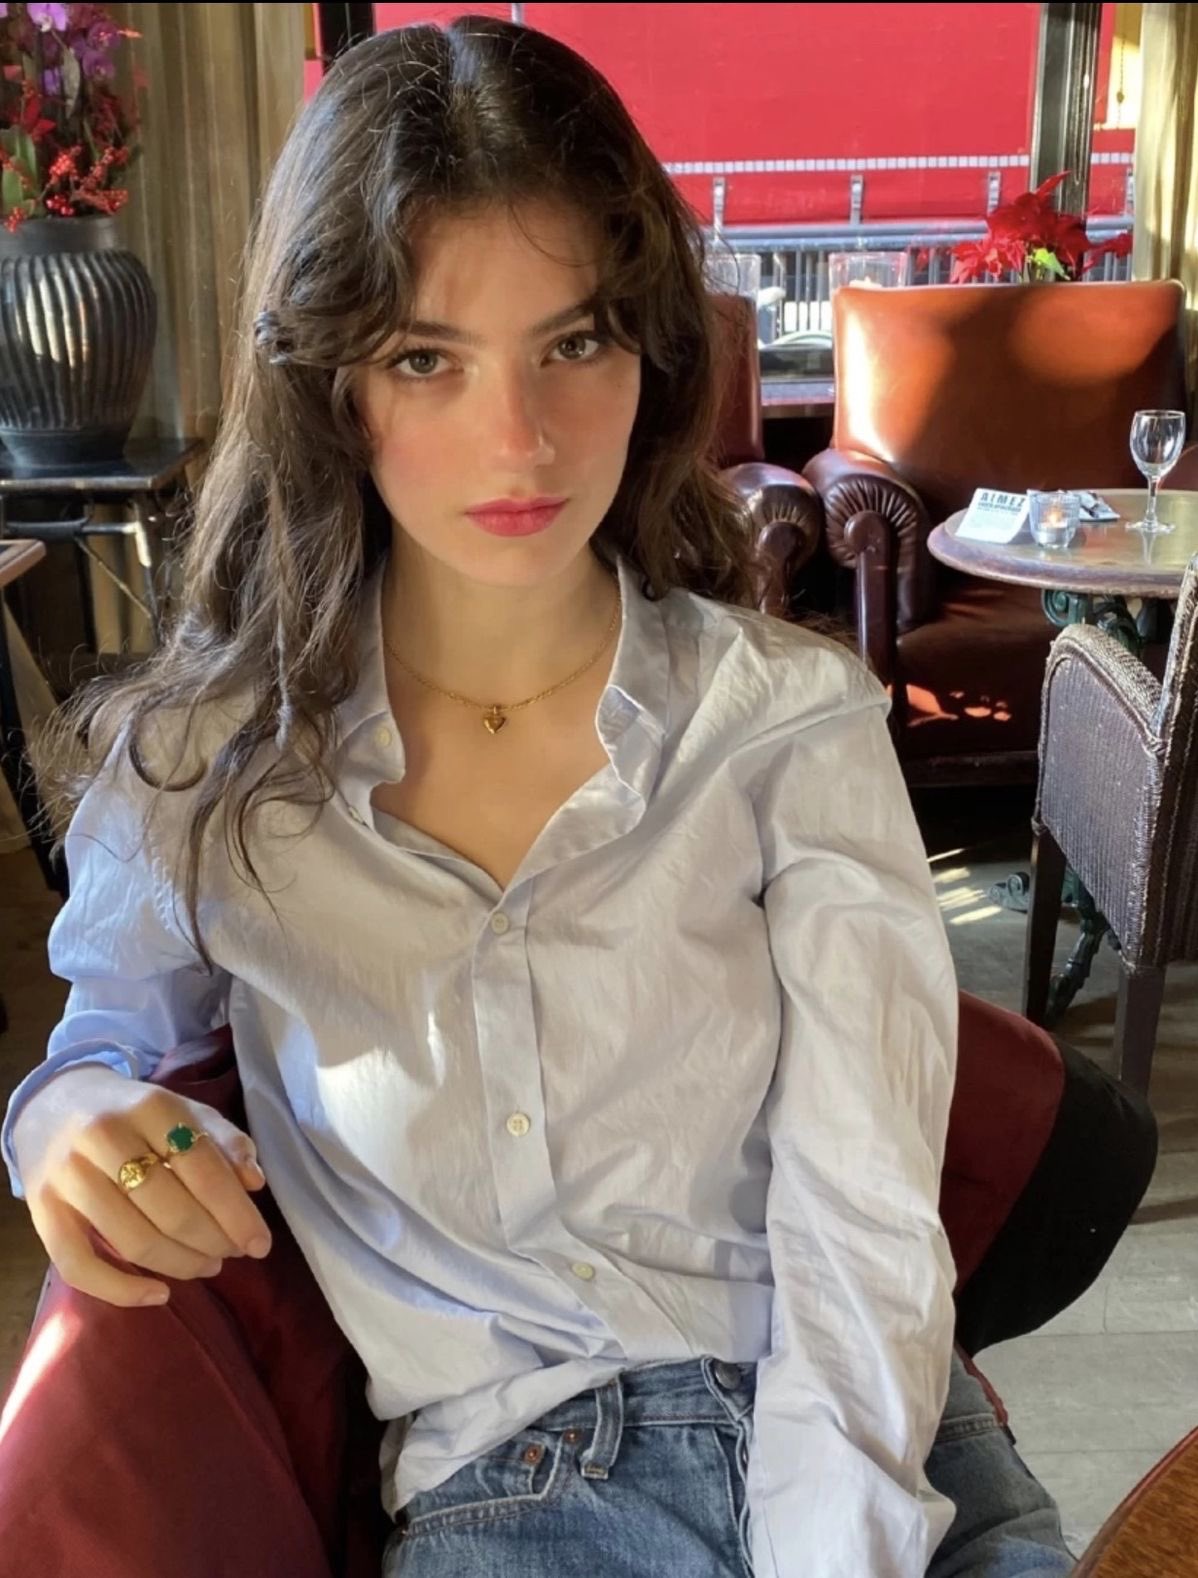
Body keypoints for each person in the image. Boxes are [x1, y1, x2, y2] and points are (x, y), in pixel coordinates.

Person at [1, 17, 1073, 1578]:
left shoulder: (785, 722)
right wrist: (61, 1117)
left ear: (651, 351)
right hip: (516, 1493)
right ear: (328, 383)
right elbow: (101, 1043)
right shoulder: (205, 768)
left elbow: (863, 1209)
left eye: (574, 343)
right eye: (425, 358)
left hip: (875, 1444)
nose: (519, 439)